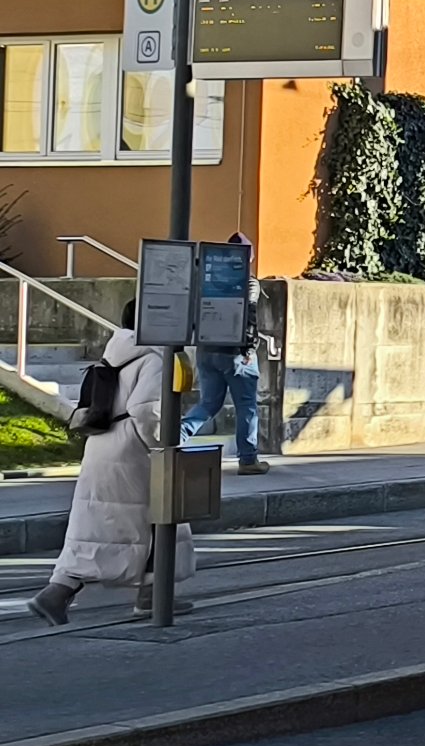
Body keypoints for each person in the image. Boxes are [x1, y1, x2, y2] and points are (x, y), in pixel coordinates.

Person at [30, 303, 195, 625]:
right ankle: (150, 596)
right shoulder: (155, 357)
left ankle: (58, 591)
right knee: (163, 516)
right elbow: (148, 410)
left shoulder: (117, 352)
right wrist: (167, 446)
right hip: (135, 450)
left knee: (98, 525)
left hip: (103, 444)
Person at [179, 232, 269, 475]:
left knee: (208, 403)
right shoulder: (249, 283)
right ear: (249, 257)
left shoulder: (208, 279)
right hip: (236, 353)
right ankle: (248, 459)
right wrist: (248, 347)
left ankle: (175, 438)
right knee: (246, 406)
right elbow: (249, 314)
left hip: (206, 350)